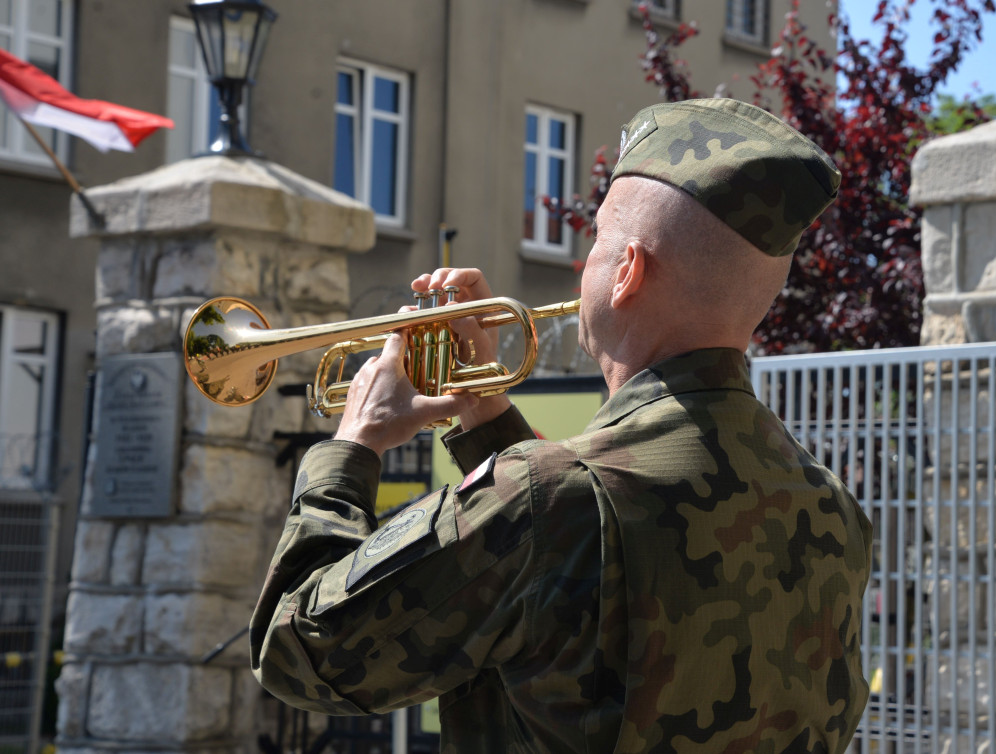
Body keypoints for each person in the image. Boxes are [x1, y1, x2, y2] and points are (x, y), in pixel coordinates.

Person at [250, 98, 873, 753]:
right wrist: (483, 413)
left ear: (628, 272)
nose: (586, 265)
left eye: (598, 238)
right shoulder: (834, 510)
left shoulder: (545, 501)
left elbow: (295, 649)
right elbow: (580, 555)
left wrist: (353, 446)